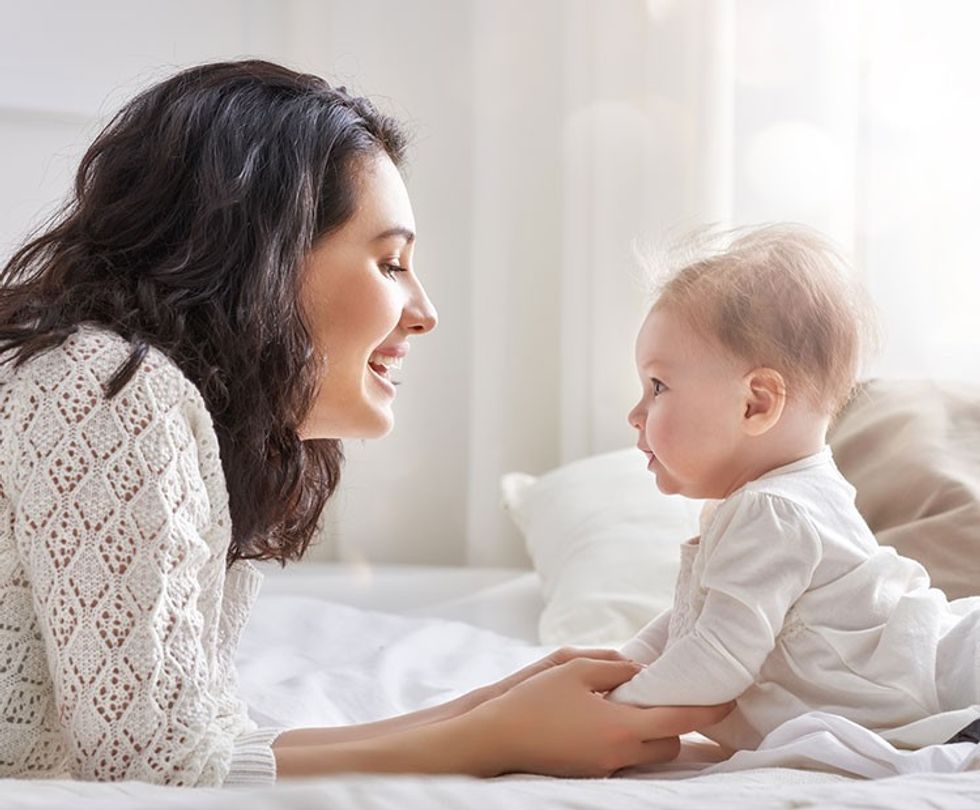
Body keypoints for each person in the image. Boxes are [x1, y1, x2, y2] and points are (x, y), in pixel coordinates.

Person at [0, 60, 730, 787]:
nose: (425, 311)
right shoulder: (105, 387)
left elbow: (203, 736)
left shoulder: (163, 407)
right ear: (262, 256)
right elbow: (149, 764)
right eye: (390, 263)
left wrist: (493, 707)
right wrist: (490, 740)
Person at [606, 225, 980, 752]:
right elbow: (698, 617)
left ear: (756, 403)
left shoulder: (772, 510)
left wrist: (610, 709)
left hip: (949, 677)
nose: (635, 413)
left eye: (658, 386)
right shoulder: (785, 496)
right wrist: (619, 667)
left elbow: (715, 660)